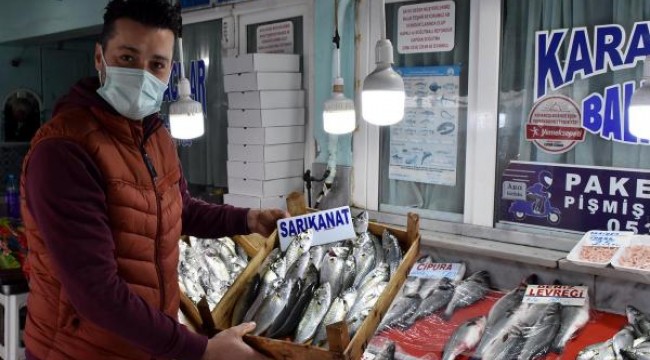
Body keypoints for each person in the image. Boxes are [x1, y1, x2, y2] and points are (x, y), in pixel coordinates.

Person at [20, 0, 285, 359]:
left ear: (169, 70)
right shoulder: (64, 151)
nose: (142, 74)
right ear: (100, 58)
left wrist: (247, 219)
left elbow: (180, 209)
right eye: (127, 58)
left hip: (146, 344)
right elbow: (96, 292)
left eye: (156, 64)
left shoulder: (154, 134)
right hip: (79, 350)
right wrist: (200, 350)